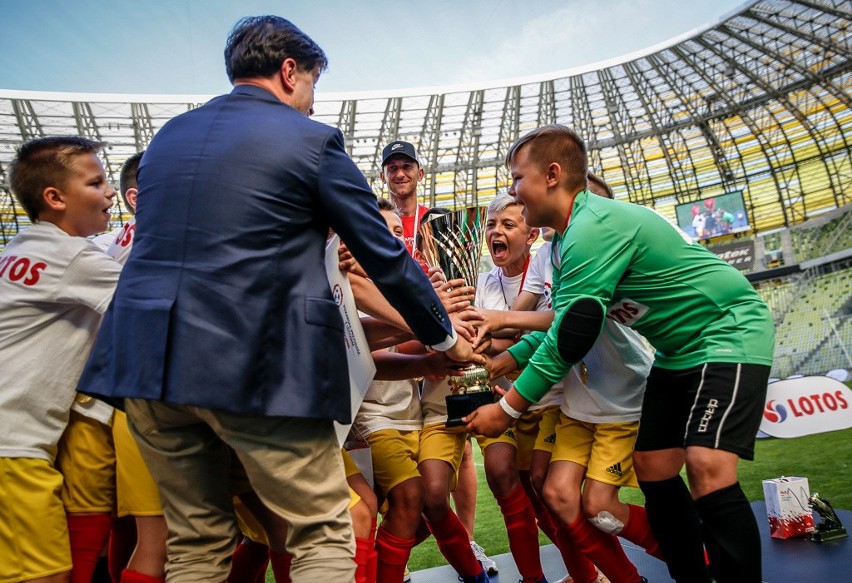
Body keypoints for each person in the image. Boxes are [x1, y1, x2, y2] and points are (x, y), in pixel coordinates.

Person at [78, 16, 480, 583]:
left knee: (195, 543)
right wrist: (447, 337)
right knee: (322, 529)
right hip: (249, 364)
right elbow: (384, 257)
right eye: (313, 85)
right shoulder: (312, 141)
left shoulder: (169, 138)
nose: (313, 105)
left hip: (144, 366)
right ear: (289, 72)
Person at [466, 124, 775, 583]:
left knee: (707, 466)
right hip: (677, 353)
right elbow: (563, 323)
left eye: (517, 178)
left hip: (726, 333)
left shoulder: (591, 229)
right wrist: (508, 358)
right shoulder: (565, 241)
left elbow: (573, 337)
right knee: (652, 466)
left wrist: (508, 409)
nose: (513, 191)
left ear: (552, 175)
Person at [0, 136, 122, 583]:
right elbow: (162, 302)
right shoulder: (70, 257)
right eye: (96, 182)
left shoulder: (22, 247)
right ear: (55, 198)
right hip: (13, 446)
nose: (109, 192)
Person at [101, 151, 169, 583]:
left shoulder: (116, 244)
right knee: (160, 541)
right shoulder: (154, 238)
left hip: (127, 402)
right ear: (137, 197)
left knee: (140, 535)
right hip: (149, 403)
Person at [380, 140, 430, 255]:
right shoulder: (375, 223)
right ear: (383, 177)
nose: (400, 174)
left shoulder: (433, 220)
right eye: (393, 168)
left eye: (407, 167)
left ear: (420, 174)